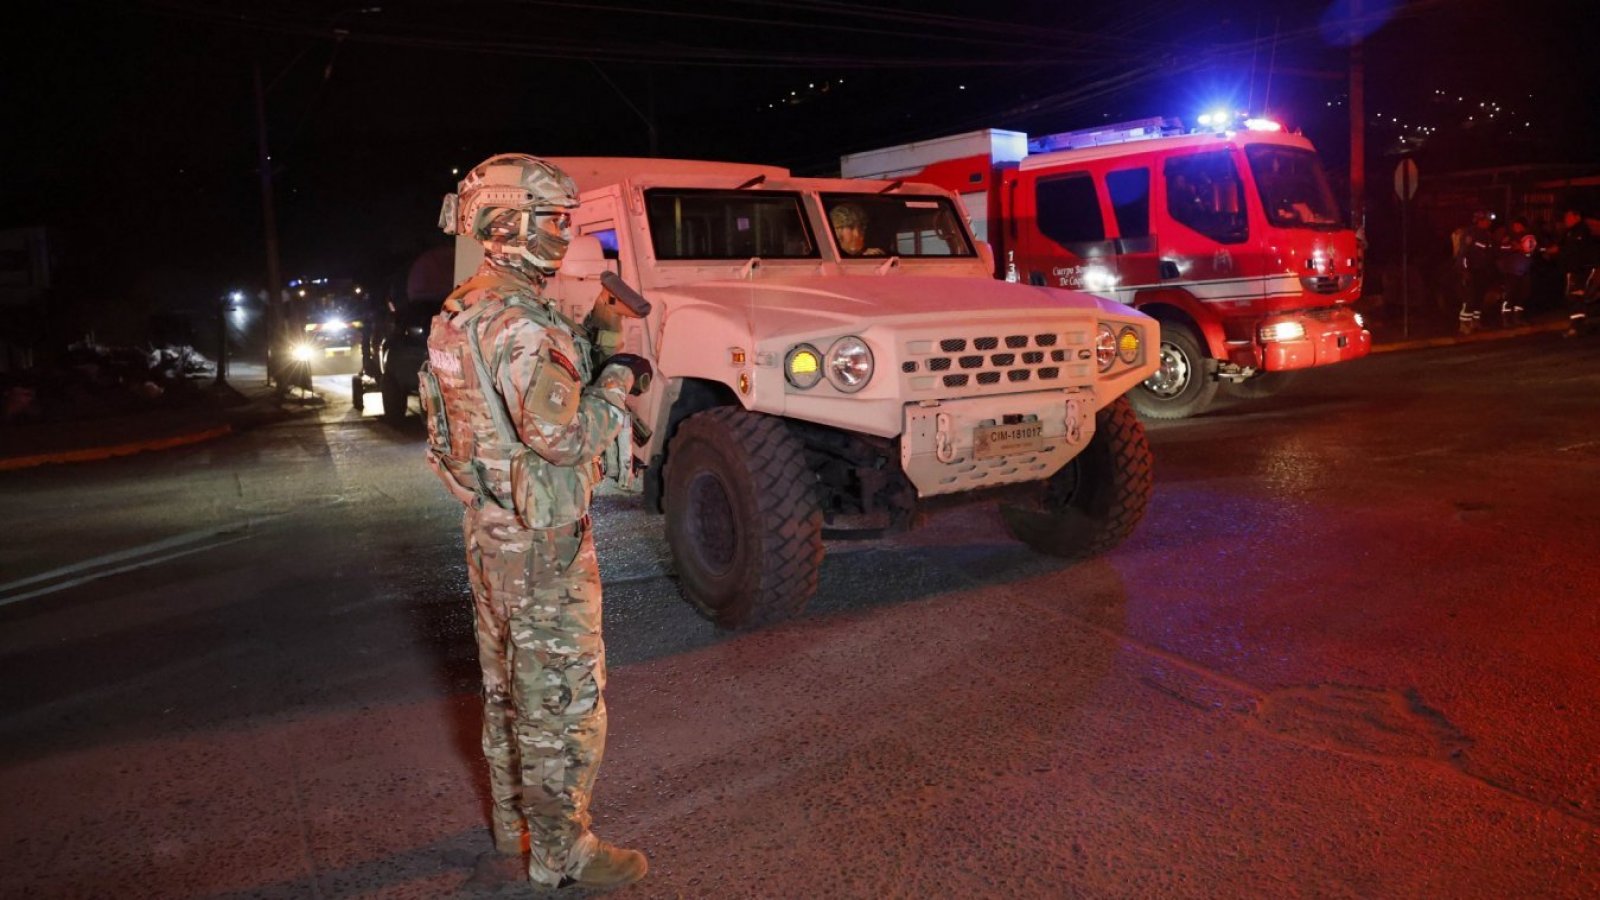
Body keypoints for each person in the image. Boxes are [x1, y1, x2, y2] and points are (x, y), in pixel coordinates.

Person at [422, 153, 649, 892]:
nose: (563, 236)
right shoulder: (518, 319)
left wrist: (579, 341)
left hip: (493, 529)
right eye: (552, 220)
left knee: (506, 684)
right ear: (507, 221)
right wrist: (616, 372)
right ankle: (561, 853)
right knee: (560, 699)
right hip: (541, 542)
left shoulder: (468, 305)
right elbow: (566, 436)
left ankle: (510, 821)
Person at [1546, 207, 1598, 336]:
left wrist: (1559, 251)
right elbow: (1563, 247)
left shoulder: (1582, 231)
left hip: (1579, 270)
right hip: (1577, 269)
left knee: (1573, 296)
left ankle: (1576, 326)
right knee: (1577, 296)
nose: (1566, 220)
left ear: (1577, 217)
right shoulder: (1570, 232)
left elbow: (1573, 250)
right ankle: (1580, 324)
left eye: (1569, 217)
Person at [1456, 209, 1498, 334]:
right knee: (1470, 297)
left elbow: (1490, 253)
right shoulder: (1470, 234)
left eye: (1489, 221)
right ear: (1479, 221)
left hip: (1483, 271)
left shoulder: (1487, 235)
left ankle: (1475, 322)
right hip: (1471, 271)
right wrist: (1464, 270)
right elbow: (1463, 254)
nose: (1489, 223)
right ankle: (1464, 324)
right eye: (1486, 220)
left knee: (1479, 297)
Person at [1496, 216, 1536, 327]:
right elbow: (1502, 249)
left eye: (1519, 225)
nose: (1517, 227)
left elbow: (1530, 251)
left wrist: (1521, 248)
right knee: (1509, 294)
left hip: (1524, 271)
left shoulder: (1529, 237)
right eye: (1515, 225)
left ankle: (1518, 317)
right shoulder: (1508, 237)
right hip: (1510, 271)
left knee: (1522, 295)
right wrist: (1513, 248)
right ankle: (1506, 319)